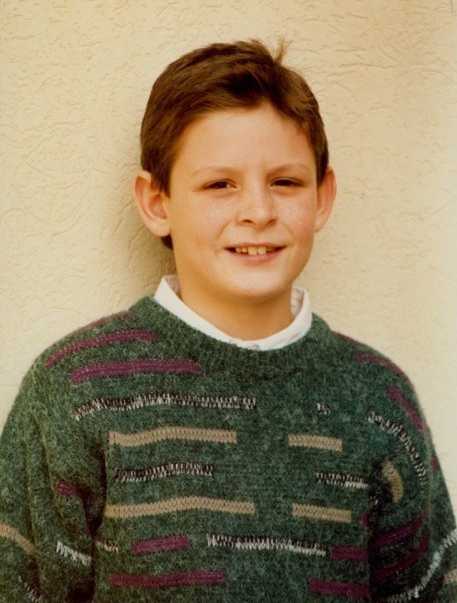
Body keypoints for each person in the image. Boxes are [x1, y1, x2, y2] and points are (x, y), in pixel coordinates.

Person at [0, 40, 456, 602]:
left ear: (322, 197)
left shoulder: (379, 399)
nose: (258, 212)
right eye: (220, 184)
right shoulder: (73, 391)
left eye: (286, 182)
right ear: (157, 202)